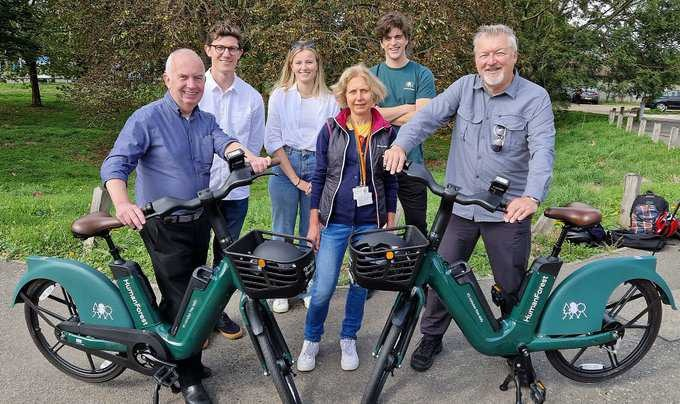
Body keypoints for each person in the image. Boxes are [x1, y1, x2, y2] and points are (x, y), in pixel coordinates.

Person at [100, 48, 270, 404]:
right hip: (163, 224)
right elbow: (115, 165)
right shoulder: (146, 119)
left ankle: (164, 345)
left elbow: (225, 141)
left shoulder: (205, 119)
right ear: (167, 80)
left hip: (198, 220)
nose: (192, 85)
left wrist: (245, 155)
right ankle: (188, 375)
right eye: (184, 78)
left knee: (192, 291)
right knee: (183, 298)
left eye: (197, 78)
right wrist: (122, 203)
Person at [383, 24, 555, 373]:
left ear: (514, 57)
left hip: (506, 210)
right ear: (476, 60)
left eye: (499, 53)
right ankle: (431, 336)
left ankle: (513, 344)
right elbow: (427, 117)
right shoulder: (464, 88)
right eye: (484, 55)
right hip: (459, 207)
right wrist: (400, 144)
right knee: (442, 279)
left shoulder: (535, 98)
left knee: (511, 284)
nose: (491, 61)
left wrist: (532, 196)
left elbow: (542, 151)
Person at [296, 64, 398, 372]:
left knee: (360, 283)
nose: (358, 97)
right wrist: (314, 221)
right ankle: (311, 339)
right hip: (334, 220)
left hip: (370, 220)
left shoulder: (386, 131)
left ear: (373, 93)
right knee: (324, 286)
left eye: (364, 90)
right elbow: (319, 175)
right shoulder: (330, 129)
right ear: (344, 95)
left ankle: (348, 337)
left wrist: (391, 214)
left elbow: (391, 179)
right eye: (352, 91)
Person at [199, 21, 265, 340]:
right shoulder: (193, 90)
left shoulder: (252, 98)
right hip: (198, 189)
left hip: (234, 190)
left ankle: (215, 312)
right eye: (220, 47)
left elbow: (253, 145)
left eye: (233, 49)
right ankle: (193, 316)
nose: (226, 53)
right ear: (209, 50)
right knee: (195, 253)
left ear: (240, 54)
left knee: (225, 257)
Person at [264, 40, 339, 314]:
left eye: (309, 61)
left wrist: (317, 180)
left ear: (317, 64)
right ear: (291, 66)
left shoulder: (331, 99)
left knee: (311, 232)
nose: (304, 66)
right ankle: (282, 288)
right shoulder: (280, 95)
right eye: (299, 62)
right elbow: (272, 140)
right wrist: (296, 179)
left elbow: (334, 141)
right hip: (286, 164)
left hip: (319, 165)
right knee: (281, 230)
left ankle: (308, 286)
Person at [370, 11, 435, 237]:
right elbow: (368, 117)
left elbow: (423, 118)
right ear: (381, 43)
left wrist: (383, 114)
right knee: (376, 226)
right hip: (377, 162)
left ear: (406, 39)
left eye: (398, 37)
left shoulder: (422, 74)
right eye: (388, 38)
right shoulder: (372, 76)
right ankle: (381, 270)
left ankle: (418, 271)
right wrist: (408, 108)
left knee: (417, 228)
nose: (393, 43)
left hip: (412, 162)